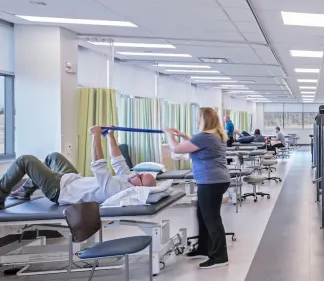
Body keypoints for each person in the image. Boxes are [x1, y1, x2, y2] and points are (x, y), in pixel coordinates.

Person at [0, 126, 155, 209]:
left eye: (140, 177)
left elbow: (99, 164)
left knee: (25, 160)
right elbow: (118, 160)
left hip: (60, 190)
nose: (137, 173)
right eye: (141, 173)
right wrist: (111, 136)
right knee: (53, 157)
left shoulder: (117, 190)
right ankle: (25, 191)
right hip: (73, 180)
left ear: (139, 187)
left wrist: (95, 135)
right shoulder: (128, 179)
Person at [165, 108, 230, 269]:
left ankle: (219, 257)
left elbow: (176, 149)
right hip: (215, 180)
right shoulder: (217, 135)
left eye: (198, 118)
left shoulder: (205, 137)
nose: (196, 120)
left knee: (212, 219)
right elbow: (195, 145)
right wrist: (183, 136)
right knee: (202, 215)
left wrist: (169, 134)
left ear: (204, 120)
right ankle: (204, 248)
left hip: (211, 182)